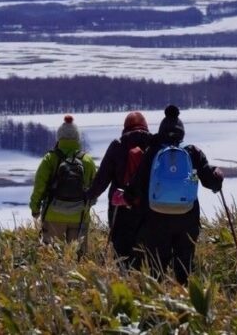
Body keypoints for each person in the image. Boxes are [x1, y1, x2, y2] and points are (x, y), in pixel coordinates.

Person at [130, 105, 223, 285]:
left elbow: (137, 185)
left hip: (156, 219)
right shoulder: (192, 153)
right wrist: (217, 177)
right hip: (187, 219)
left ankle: (158, 306)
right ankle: (185, 304)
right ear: (182, 133)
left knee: (157, 270)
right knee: (184, 269)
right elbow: (210, 182)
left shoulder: (152, 153)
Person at [84, 111, 152, 267]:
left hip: (120, 210)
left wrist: (88, 196)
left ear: (125, 127)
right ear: (145, 126)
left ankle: (125, 285)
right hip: (148, 209)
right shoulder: (153, 145)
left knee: (122, 255)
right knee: (146, 254)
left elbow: (101, 180)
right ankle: (146, 287)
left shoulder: (118, 146)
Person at [29, 115, 96, 247]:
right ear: (77, 137)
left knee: (52, 260)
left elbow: (39, 187)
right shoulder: (87, 160)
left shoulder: (50, 158)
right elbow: (95, 187)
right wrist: (88, 204)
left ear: (59, 137)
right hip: (80, 216)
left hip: (53, 215)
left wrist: (35, 208)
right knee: (78, 260)